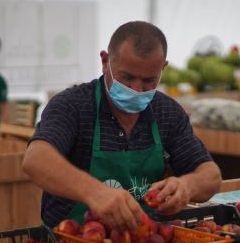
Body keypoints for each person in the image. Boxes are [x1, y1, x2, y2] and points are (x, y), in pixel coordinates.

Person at [22, 21, 221, 232]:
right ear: (105, 61)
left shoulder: (167, 112)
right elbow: (36, 159)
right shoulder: (73, 106)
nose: (136, 89)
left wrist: (186, 187)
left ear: (162, 68)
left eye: (148, 80)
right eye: (127, 77)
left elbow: (211, 176)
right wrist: (95, 193)